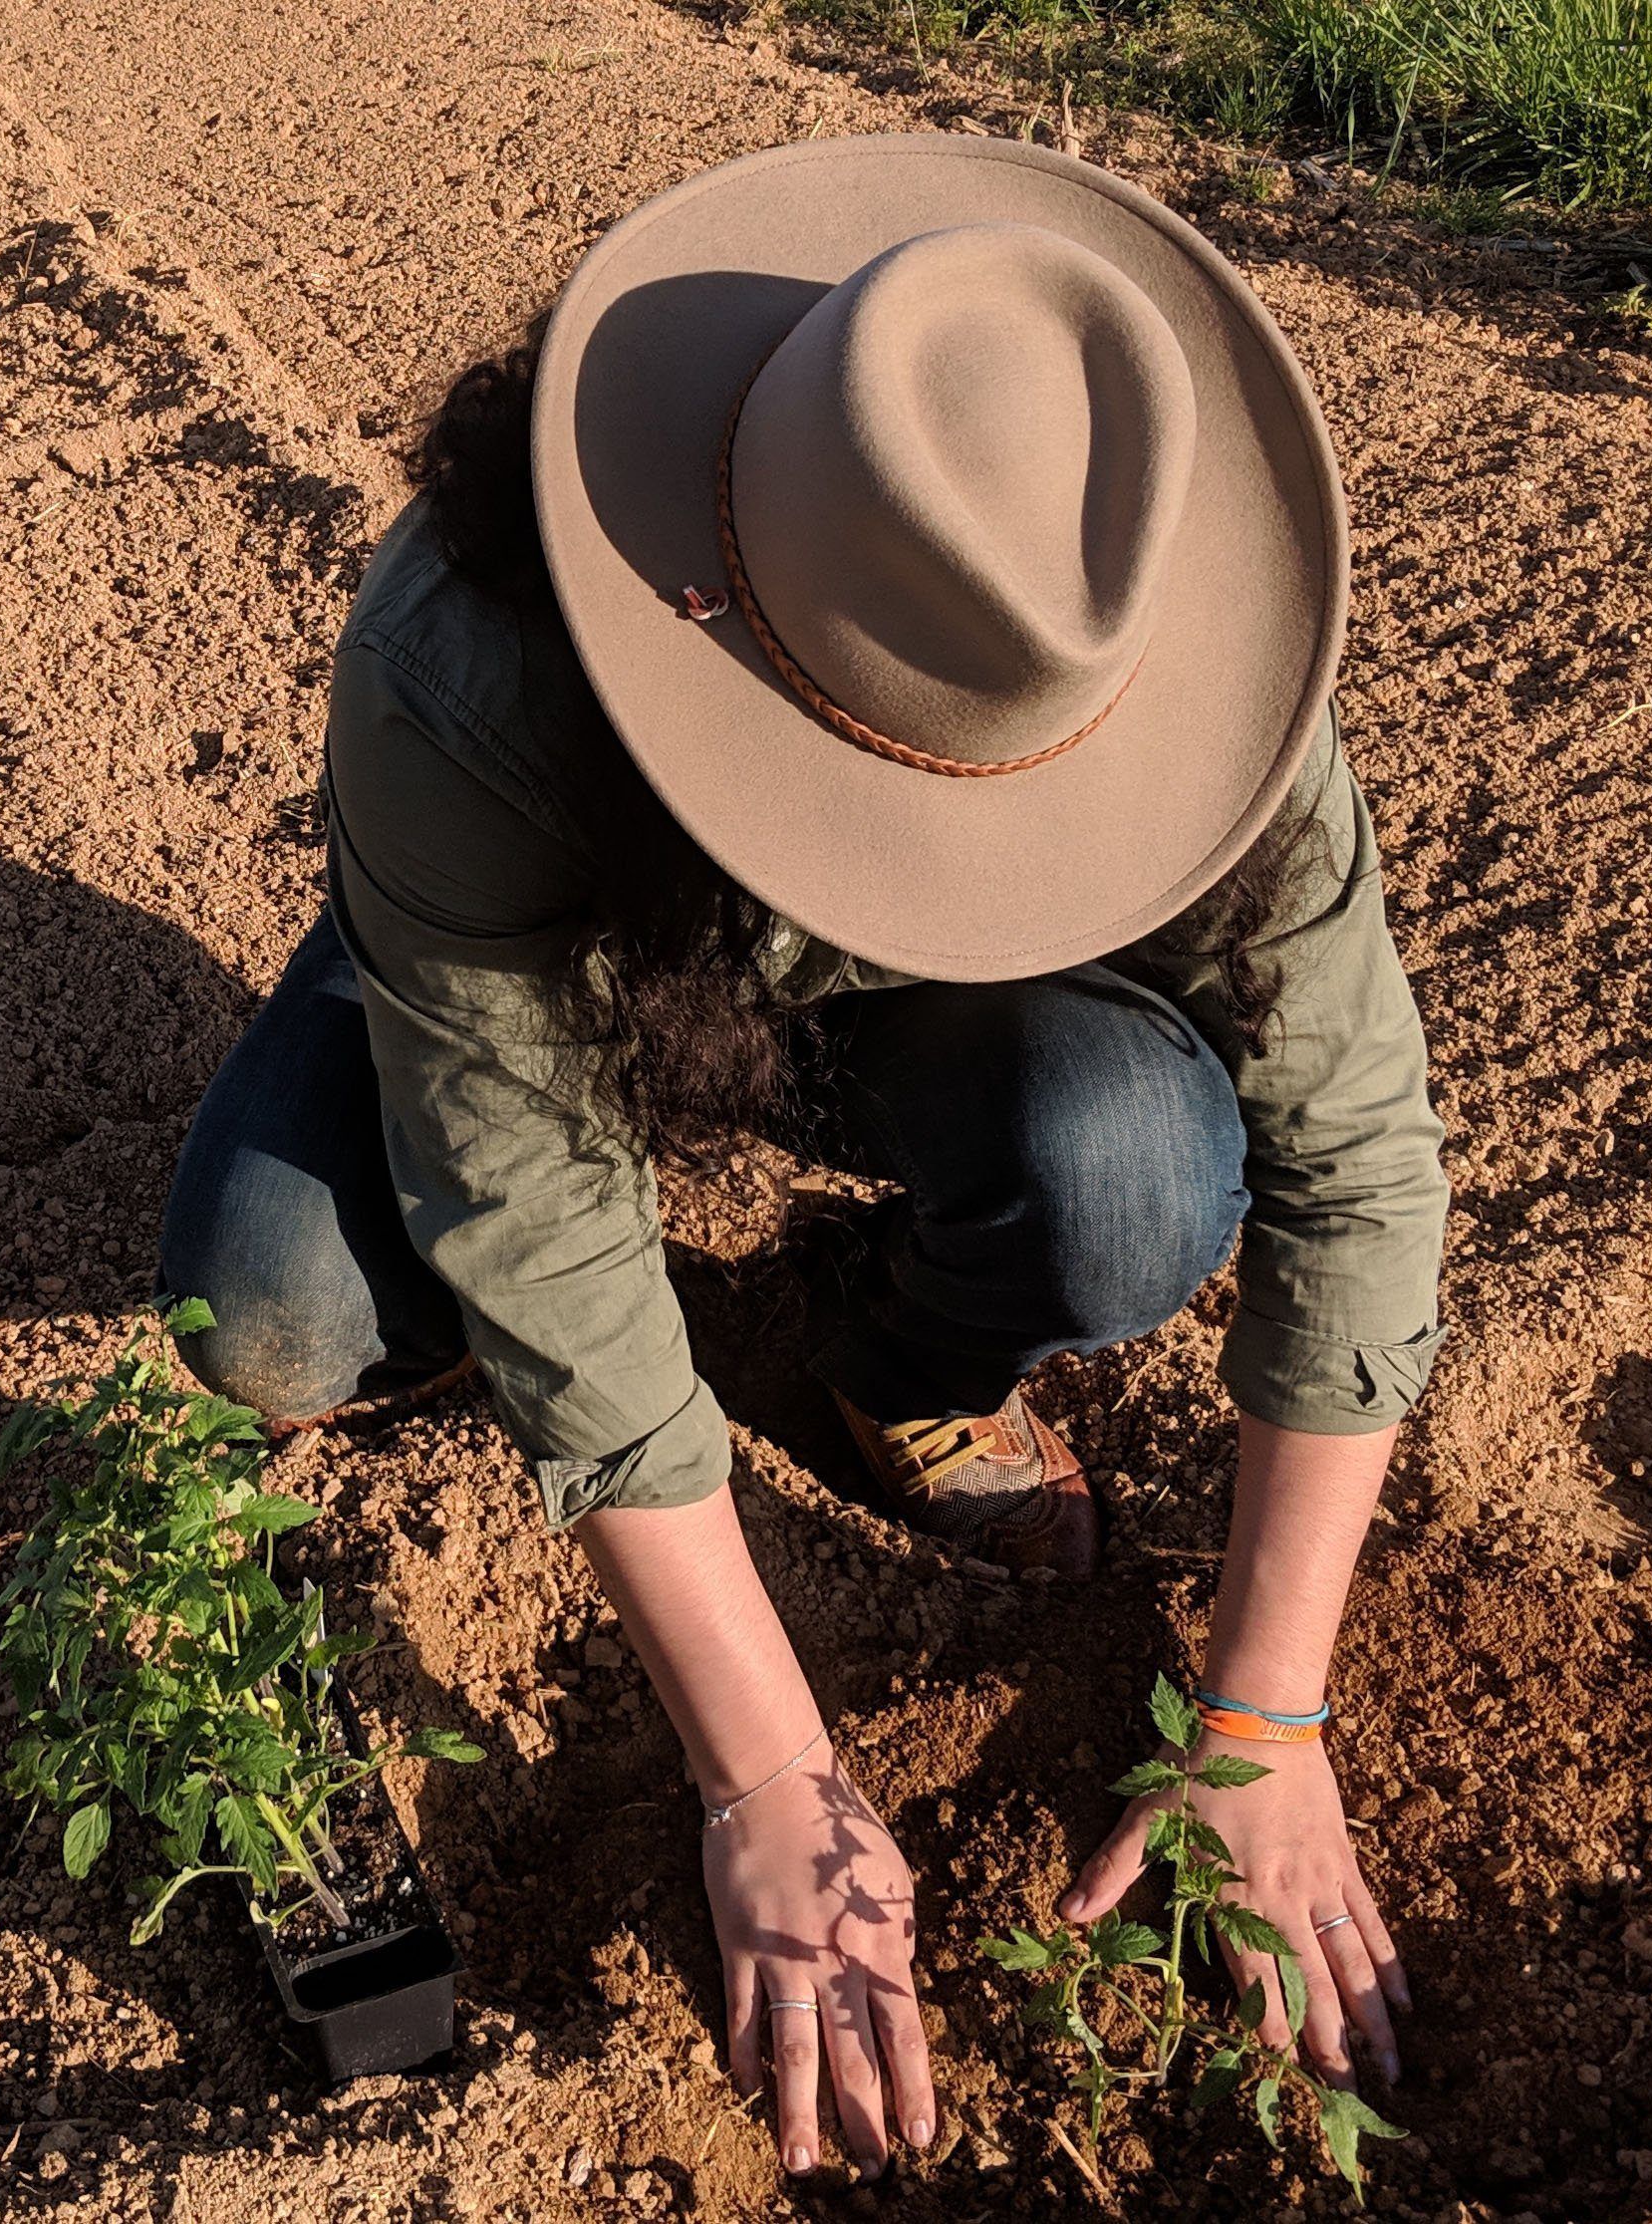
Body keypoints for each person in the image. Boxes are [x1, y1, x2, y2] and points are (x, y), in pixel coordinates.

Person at [159, 135, 1447, 2182]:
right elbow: (541, 1214)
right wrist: (762, 1765)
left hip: (947, 1000)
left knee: (1127, 1172)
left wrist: (1266, 1714)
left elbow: (1359, 1164)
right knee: (273, 1304)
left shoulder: (1177, 659)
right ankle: (392, 1110)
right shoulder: (476, 665)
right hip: (555, 930)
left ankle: (887, 1356)